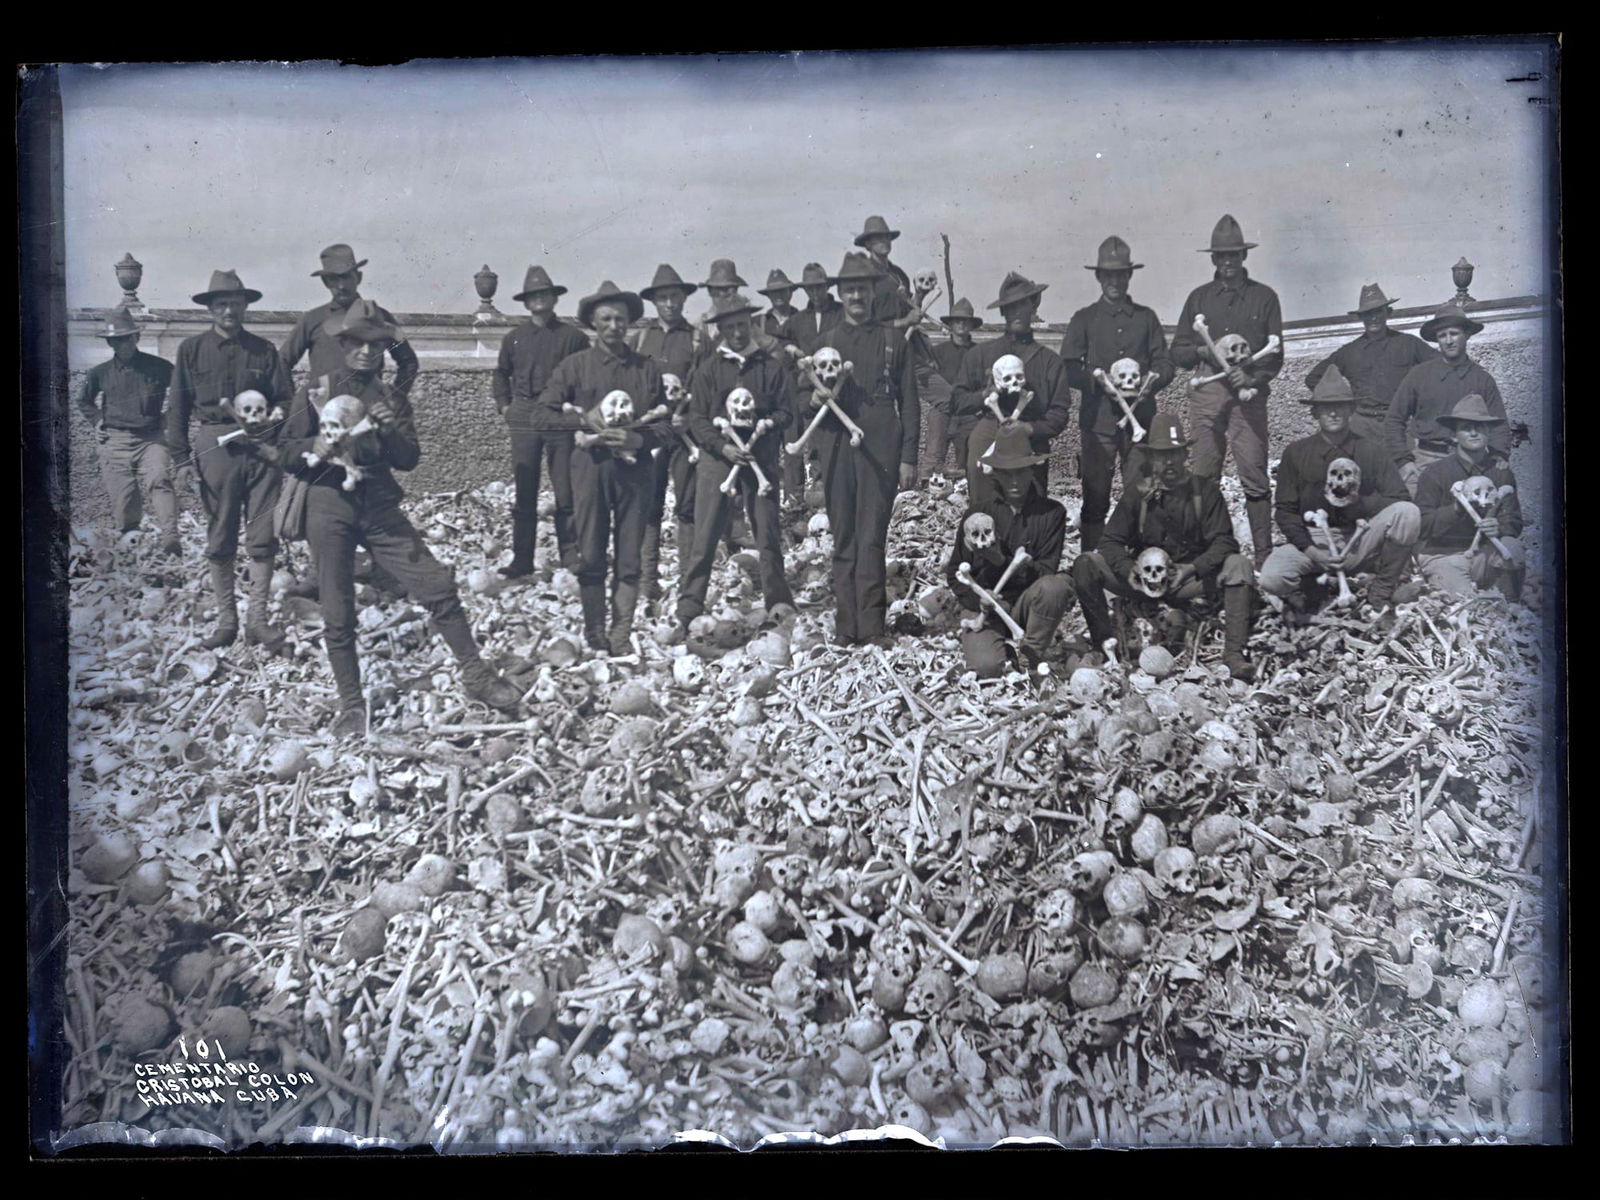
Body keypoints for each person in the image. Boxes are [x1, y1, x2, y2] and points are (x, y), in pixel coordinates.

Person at [277, 301, 522, 735]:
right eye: (359, 343)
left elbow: (410, 460)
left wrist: (390, 431)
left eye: (378, 345)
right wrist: (314, 446)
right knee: (337, 608)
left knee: (436, 582)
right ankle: (351, 704)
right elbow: (285, 453)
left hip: (377, 504)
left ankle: (475, 674)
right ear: (344, 343)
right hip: (328, 505)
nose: (369, 353)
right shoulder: (317, 389)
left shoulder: (391, 398)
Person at [1071, 412, 1258, 681]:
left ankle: (1234, 655)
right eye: (1161, 455)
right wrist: (1129, 572)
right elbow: (1110, 541)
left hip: (1187, 582)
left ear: (1185, 456)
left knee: (1238, 565)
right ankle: (1104, 646)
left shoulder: (1204, 492)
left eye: (1174, 454)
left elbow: (1225, 541)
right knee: (1086, 564)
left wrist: (1193, 568)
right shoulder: (1138, 493)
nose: (1168, 461)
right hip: (1143, 582)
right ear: (1152, 459)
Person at [539, 281, 672, 655]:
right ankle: (595, 630)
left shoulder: (647, 370)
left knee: (630, 557)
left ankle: (621, 633)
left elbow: (666, 426)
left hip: (635, 475)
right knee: (592, 554)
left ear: (629, 323)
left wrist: (639, 441)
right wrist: (584, 423)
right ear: (593, 325)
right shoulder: (574, 367)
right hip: (590, 471)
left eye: (621, 319)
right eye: (606, 319)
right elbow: (544, 413)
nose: (614, 326)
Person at [167, 269, 294, 650]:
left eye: (235, 304)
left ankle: (258, 620)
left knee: (262, 531)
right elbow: (177, 408)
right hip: (215, 444)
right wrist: (182, 460)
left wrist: (276, 419)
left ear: (245, 307)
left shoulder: (263, 350)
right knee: (220, 531)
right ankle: (226, 622)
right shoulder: (190, 350)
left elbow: (285, 398)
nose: (228, 311)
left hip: (260, 447)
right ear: (210, 308)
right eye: (221, 304)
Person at [809, 252, 920, 648]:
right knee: (843, 536)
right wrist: (814, 397)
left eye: (863, 287)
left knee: (872, 536)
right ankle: (845, 627)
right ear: (840, 293)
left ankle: (872, 628)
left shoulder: (893, 341)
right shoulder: (825, 343)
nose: (857, 295)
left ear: (874, 291)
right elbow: (802, 400)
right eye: (849, 288)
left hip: (882, 444)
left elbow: (910, 401)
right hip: (837, 443)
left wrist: (909, 456)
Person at [673, 293, 797, 636]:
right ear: (721, 329)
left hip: (760, 459)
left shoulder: (770, 368)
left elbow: (787, 411)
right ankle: (690, 605)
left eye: (743, 325)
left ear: (752, 324)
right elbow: (697, 419)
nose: (738, 333)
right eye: (730, 327)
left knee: (767, 530)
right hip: (717, 461)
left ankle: (777, 600)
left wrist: (767, 426)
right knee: (706, 532)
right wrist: (722, 447)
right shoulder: (708, 369)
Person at [1170, 214, 1285, 567]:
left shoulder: (1264, 298)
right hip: (1207, 398)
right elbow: (1178, 352)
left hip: (1247, 400)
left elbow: (1275, 355)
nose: (1228, 262)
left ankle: (1264, 558)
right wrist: (1205, 351)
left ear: (1243, 256)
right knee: (1204, 476)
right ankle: (1207, 555)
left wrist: (1250, 379)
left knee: (1254, 475)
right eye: (1222, 256)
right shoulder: (1199, 299)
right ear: (1213, 259)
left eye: (1234, 255)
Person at [1258, 366, 1420, 614]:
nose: (1333, 413)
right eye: (1325, 407)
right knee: (1271, 578)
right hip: (1316, 540)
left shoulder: (1372, 450)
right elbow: (1284, 512)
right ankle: (1311, 587)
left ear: (1351, 410)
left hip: (1360, 539)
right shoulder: (1296, 453)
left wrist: (1359, 504)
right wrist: (1312, 551)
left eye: (1340, 406)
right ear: (1314, 412)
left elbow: (1399, 498)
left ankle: (1382, 590)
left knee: (1408, 513)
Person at [1060, 236, 1175, 551]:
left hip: (1140, 422)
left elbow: (1165, 363)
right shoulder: (1084, 319)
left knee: (1140, 493)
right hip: (1099, 423)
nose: (1114, 282)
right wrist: (1098, 382)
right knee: (1095, 496)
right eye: (1108, 275)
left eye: (1120, 275)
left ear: (1129, 276)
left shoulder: (1146, 318)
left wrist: (1153, 380)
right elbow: (1069, 368)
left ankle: (1138, 560)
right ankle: (1091, 565)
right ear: (1098, 277)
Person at [946, 428, 1075, 677]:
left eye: (1021, 473)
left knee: (1055, 587)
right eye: (1007, 474)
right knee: (987, 667)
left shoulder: (1051, 514)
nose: (1014, 482)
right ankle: (1002, 648)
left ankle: (1031, 654)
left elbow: (1046, 573)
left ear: (1032, 471)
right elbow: (955, 574)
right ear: (996, 474)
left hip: (1025, 607)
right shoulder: (977, 515)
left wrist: (1002, 561)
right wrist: (979, 600)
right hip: (984, 610)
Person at [491, 265, 591, 578]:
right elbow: (500, 373)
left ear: (554, 298)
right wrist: (505, 406)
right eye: (533, 296)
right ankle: (522, 559)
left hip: (559, 416)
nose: (539, 300)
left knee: (565, 489)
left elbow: (587, 377)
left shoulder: (573, 337)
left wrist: (577, 413)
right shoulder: (514, 338)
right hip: (523, 414)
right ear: (526, 302)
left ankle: (570, 556)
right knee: (525, 490)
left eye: (544, 294)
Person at [949, 272, 1073, 501]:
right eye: (1010, 307)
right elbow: (957, 401)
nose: (1017, 312)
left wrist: (1030, 429)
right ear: (1003, 311)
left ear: (1033, 306)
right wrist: (985, 395)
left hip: (1030, 440)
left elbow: (1059, 412)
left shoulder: (1049, 362)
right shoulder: (979, 355)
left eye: (1022, 305)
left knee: (1030, 515)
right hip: (988, 433)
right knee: (984, 512)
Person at [76, 310, 180, 555]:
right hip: (115, 441)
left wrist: (168, 418)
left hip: (151, 439)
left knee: (160, 479)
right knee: (124, 498)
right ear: (110, 343)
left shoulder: (160, 367)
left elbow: (184, 393)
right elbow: (84, 401)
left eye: (126, 338)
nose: (122, 344)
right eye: (116, 340)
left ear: (136, 338)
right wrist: (98, 420)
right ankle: (130, 544)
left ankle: (171, 538)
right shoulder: (99, 373)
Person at [631, 263, 702, 603]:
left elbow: (705, 387)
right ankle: (648, 582)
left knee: (687, 507)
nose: (670, 304)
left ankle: (689, 582)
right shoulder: (642, 338)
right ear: (654, 301)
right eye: (663, 298)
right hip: (650, 435)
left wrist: (687, 417)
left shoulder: (696, 339)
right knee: (649, 506)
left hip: (683, 436)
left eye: (675, 296)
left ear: (684, 299)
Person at [1384, 305, 1510, 496]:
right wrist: (1403, 460)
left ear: (1466, 335)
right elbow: (1394, 419)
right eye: (1443, 335)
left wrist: (1498, 454)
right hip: (1426, 460)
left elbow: (1499, 423)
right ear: (1437, 340)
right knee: (1417, 514)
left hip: (1472, 461)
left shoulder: (1482, 379)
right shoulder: (1419, 375)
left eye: (1454, 333)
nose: (1449, 341)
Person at [1414, 394, 1525, 600]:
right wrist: (1455, 510)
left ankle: (1511, 604)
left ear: (1488, 432)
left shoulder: (1501, 473)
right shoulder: (1435, 473)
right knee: (1465, 605)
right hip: (1443, 555)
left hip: (1483, 555)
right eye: (1466, 427)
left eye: (1480, 427)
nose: (1474, 433)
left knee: (1513, 548)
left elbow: (1514, 520)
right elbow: (1422, 525)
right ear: (1455, 435)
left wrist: (1499, 527)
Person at [280, 244, 419, 398]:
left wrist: (394, 399)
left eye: (346, 277)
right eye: (333, 279)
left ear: (358, 278)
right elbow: (283, 360)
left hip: (367, 410)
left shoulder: (381, 317)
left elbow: (408, 361)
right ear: (326, 282)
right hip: (323, 411)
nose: (341, 286)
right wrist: (293, 403)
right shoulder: (312, 319)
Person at [1304, 284, 1437, 445]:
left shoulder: (1408, 344)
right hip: (1362, 426)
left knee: (1402, 467)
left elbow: (1439, 368)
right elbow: (1313, 378)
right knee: (1362, 468)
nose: (1373, 318)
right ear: (1361, 317)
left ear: (1388, 313)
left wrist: (1421, 404)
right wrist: (1340, 403)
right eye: (1368, 314)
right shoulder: (1350, 351)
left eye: (1378, 312)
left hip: (1399, 423)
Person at [780, 263, 844, 508]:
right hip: (807, 389)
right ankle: (808, 490)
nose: (815, 293)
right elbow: (781, 344)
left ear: (827, 286)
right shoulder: (797, 320)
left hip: (837, 386)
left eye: (819, 287)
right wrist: (790, 351)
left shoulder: (840, 313)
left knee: (834, 435)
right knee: (811, 436)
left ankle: (836, 487)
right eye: (809, 289)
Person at [924, 298, 981, 478]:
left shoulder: (979, 353)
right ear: (950, 324)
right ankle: (926, 493)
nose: (962, 324)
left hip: (969, 414)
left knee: (968, 462)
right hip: (942, 412)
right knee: (933, 456)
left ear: (972, 324)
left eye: (966, 320)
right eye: (957, 320)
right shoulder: (937, 351)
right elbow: (926, 380)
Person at [757, 269, 800, 340]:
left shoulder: (802, 319)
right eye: (774, 292)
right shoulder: (760, 323)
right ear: (768, 295)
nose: (778, 295)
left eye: (782, 291)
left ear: (790, 293)